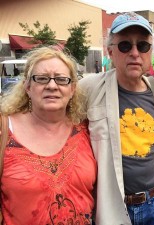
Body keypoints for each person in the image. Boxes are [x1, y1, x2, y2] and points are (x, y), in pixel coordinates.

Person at [79, 12, 154, 225]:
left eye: (143, 46)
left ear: (150, 52)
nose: (135, 53)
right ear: (110, 51)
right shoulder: (88, 88)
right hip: (113, 206)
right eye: (125, 46)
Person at [0, 46, 97, 224]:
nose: (52, 86)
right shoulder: (4, 131)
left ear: (73, 89)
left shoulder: (87, 131)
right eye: (42, 79)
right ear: (27, 86)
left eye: (61, 80)